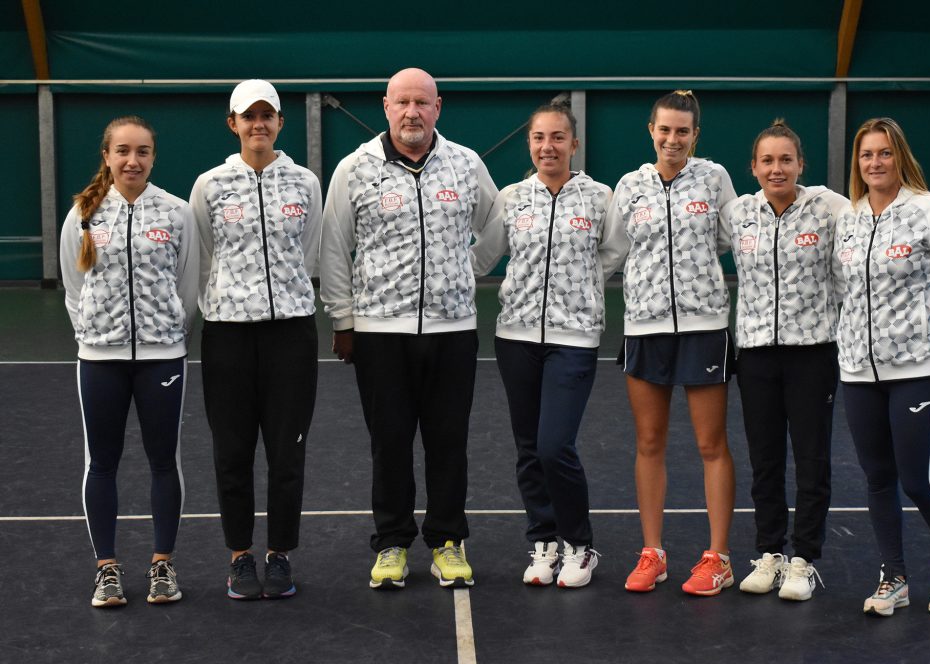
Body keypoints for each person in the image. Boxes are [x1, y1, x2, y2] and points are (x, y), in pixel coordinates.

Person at [320, 67, 499, 589]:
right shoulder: (355, 169)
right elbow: (334, 247)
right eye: (403, 102)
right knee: (390, 442)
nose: (412, 112)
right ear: (386, 106)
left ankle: (447, 540)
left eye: (422, 102)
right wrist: (344, 318)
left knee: (448, 440)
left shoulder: (466, 164)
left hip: (452, 331)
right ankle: (393, 543)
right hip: (380, 333)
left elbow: (497, 222)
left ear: (438, 108)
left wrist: (471, 266)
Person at [472, 103, 628, 588]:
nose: (548, 147)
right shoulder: (513, 197)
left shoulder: (600, 197)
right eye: (539, 138)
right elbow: (483, 256)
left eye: (558, 137)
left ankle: (579, 545)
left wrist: (579, 284)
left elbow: (615, 250)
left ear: (574, 145)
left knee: (554, 444)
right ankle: (543, 541)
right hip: (515, 337)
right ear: (530, 144)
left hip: (574, 339)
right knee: (527, 447)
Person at [834, 117, 930, 616]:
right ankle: (892, 577)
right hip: (857, 372)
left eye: (885, 153)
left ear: (901, 158)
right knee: (877, 479)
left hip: (915, 371)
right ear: (857, 162)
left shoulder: (928, 212)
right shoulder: (847, 216)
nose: (875, 163)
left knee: (917, 481)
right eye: (867, 154)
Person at [190, 79, 322, 600]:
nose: (259, 124)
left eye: (268, 115)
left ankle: (280, 553)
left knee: (287, 453)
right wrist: (222, 306)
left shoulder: (305, 183)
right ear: (233, 124)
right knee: (233, 450)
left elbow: (310, 253)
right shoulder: (210, 185)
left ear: (280, 123)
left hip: (291, 334)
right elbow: (200, 258)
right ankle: (240, 555)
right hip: (227, 338)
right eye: (249, 116)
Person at [60, 116, 198, 607]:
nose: (132, 160)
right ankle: (107, 569)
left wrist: (167, 333)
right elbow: (74, 289)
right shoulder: (83, 212)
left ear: (153, 157)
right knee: (102, 462)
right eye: (122, 151)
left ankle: (163, 565)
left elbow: (188, 282)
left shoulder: (177, 212)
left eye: (141, 151)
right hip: (99, 360)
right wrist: (96, 335)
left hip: (163, 357)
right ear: (107, 156)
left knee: (165, 462)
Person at [606, 90, 739, 595]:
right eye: (665, 129)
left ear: (695, 135)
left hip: (704, 328)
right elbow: (613, 250)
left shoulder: (715, 178)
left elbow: (738, 232)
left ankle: (718, 558)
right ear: (651, 130)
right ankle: (653, 553)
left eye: (682, 131)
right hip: (645, 328)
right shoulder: (630, 186)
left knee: (710, 444)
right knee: (649, 442)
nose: (672, 139)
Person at [719, 120, 847, 601]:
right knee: (765, 459)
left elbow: (884, 205)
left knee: (812, 458)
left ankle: (803, 560)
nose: (777, 169)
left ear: (800, 165)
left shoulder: (830, 207)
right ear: (753, 167)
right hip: (754, 355)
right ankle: (769, 552)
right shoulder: (737, 214)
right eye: (767, 161)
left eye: (785, 160)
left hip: (813, 354)